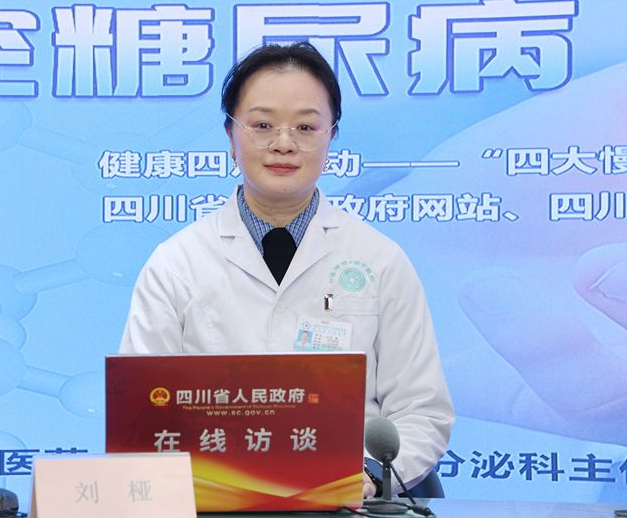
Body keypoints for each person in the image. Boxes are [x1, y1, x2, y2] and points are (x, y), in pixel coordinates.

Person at [119, 41, 454, 497]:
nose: (283, 143)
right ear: (231, 137)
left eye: (305, 126)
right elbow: (142, 413)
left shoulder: (380, 260)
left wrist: (367, 478)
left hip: (348, 501)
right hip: (214, 501)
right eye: (262, 125)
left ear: (331, 137)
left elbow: (422, 410)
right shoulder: (175, 263)